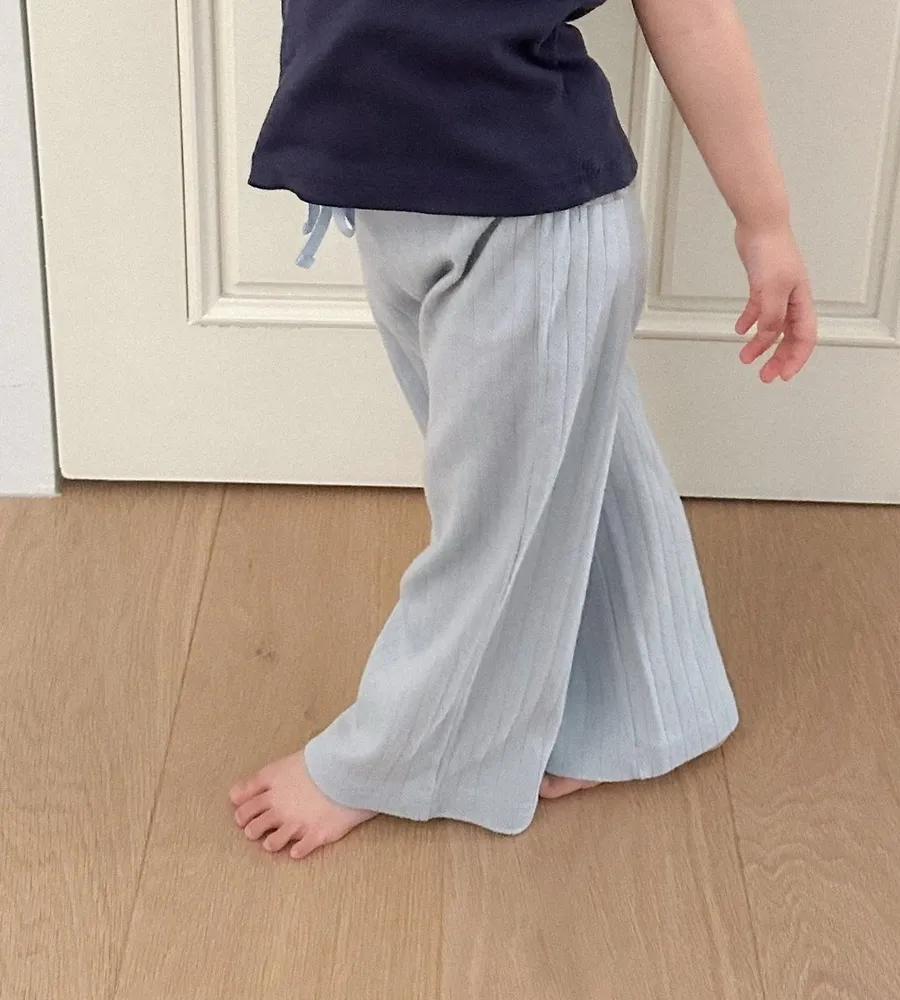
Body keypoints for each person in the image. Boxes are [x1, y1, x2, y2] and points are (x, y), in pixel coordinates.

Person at [230, 0, 818, 860]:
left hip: (528, 228)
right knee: (581, 476)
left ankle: (383, 757)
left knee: (496, 523)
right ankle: (650, 708)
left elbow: (693, 18)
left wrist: (765, 224)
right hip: (394, 205)